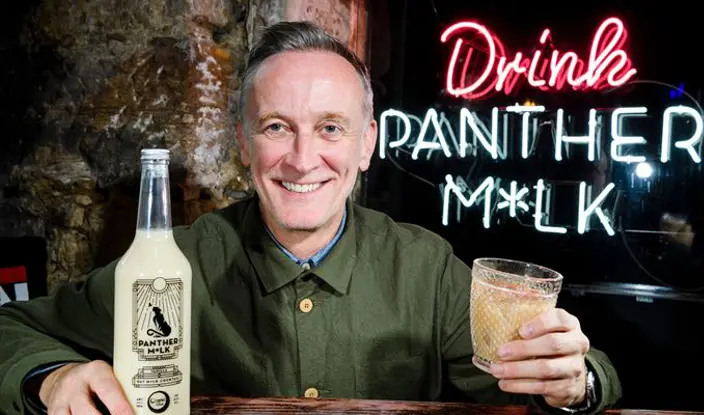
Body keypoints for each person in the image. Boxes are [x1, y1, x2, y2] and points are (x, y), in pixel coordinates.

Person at [0, 21, 621, 415]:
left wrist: (574, 383)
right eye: (277, 127)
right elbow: (12, 329)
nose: (302, 159)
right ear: (243, 145)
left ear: (366, 144)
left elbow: (572, 376)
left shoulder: (426, 267)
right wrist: (50, 380)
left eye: (330, 128)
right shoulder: (177, 262)